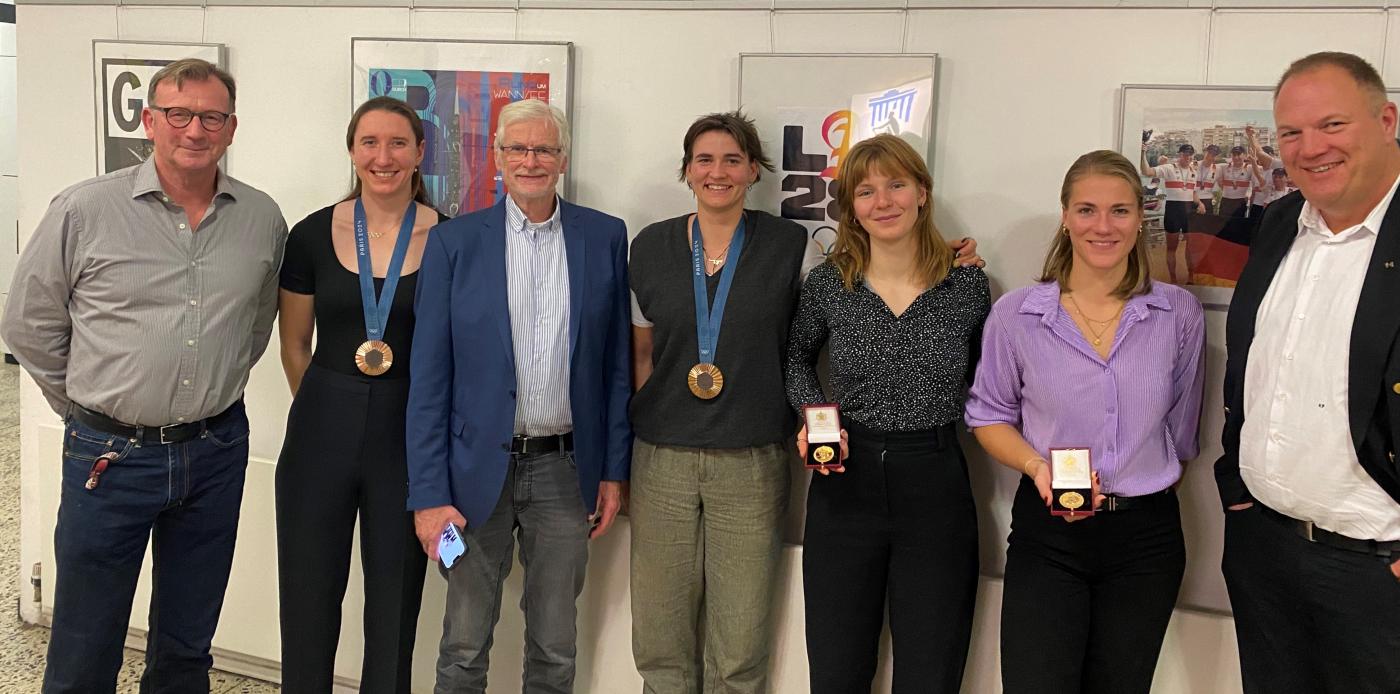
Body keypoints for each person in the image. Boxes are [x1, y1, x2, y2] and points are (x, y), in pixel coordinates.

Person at [628, 113, 983, 694]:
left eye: (733, 159)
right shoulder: (656, 246)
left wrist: (942, 253)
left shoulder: (796, 247)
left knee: (748, 645)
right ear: (686, 169)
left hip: (813, 461)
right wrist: (817, 417)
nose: (718, 172)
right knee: (670, 639)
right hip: (719, 459)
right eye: (705, 160)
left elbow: (992, 383)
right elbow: (651, 353)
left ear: (754, 170)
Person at [0, 58, 286, 692]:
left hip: (215, 451)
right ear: (149, 121)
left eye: (211, 117)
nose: (195, 130)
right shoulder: (84, 209)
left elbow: (253, 327)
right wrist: (85, 406)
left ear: (232, 127)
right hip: (110, 456)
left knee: (188, 643)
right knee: (85, 643)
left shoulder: (262, 218)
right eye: (178, 114)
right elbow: (27, 324)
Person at [405, 98, 631, 694]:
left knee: (555, 646)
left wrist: (613, 472)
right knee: (462, 644)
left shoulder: (604, 236)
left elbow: (615, 368)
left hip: (565, 471)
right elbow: (428, 380)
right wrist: (428, 496)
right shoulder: (454, 243)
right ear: (498, 158)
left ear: (563, 159)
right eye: (518, 149)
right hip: (469, 474)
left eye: (544, 149)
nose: (531, 160)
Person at [966, 149, 1206, 694]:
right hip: (1050, 536)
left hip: (1145, 542)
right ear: (1065, 217)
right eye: (1087, 210)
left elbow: (1182, 429)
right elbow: (987, 415)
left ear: (1140, 218)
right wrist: (1037, 467)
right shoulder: (1017, 315)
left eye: (1120, 211)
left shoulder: (1178, 314)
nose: (1103, 226)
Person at [1216, 51, 1400, 694]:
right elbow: (1249, 368)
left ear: (1386, 120)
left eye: (1332, 124)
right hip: (1264, 549)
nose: (1311, 147)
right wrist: (1235, 489)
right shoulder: (1277, 225)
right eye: (1291, 132)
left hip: (1377, 570)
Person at [787, 133, 991, 693]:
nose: (883, 202)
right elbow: (797, 360)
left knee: (931, 670)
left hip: (935, 482)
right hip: (844, 482)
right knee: (837, 669)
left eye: (896, 185)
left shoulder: (967, 284)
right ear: (850, 207)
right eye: (866, 191)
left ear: (922, 192)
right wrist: (814, 417)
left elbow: (989, 384)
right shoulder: (829, 283)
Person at [275, 96, 445, 693]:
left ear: (420, 152)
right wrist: (328, 409)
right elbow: (294, 345)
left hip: (407, 432)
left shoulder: (450, 239)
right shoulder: (310, 234)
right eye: (369, 142)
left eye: (398, 143)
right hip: (321, 426)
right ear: (352, 151)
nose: (383, 156)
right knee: (307, 590)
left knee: (397, 597)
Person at [1140, 143, 1204, 283]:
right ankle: (1173, 279)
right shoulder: (1169, 168)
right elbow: (1147, 172)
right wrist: (1143, 153)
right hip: (1173, 210)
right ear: (1180, 154)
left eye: (1190, 155)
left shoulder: (1194, 171)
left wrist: (1200, 203)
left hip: (1189, 211)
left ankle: (1190, 277)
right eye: (1185, 154)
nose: (1188, 157)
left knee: (1191, 247)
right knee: (1171, 248)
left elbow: (1193, 192)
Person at [1218, 145, 1254, 217]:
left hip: (1241, 201)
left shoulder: (1250, 168)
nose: (1236, 157)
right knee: (1222, 222)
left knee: (1238, 223)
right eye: (1234, 155)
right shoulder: (1224, 167)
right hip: (1226, 200)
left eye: (1239, 154)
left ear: (1245, 155)